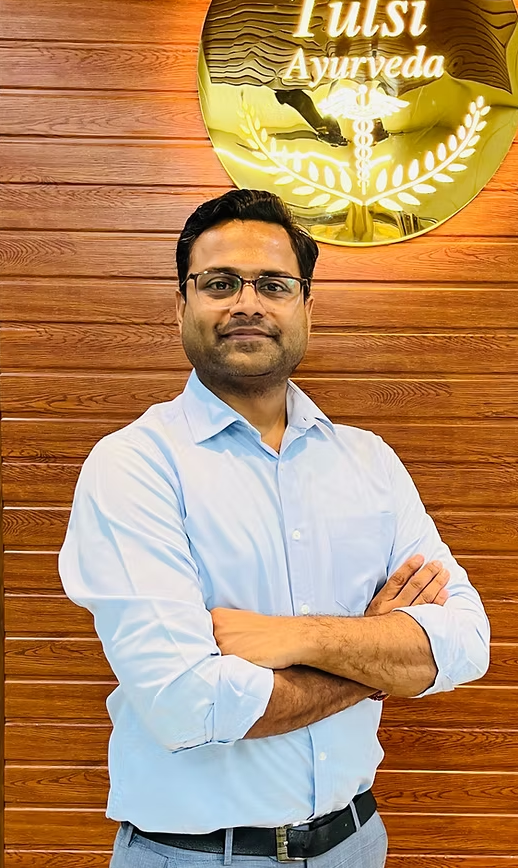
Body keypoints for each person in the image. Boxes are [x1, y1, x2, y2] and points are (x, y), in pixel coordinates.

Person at [59, 189, 490, 868]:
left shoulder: (369, 462)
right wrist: (377, 660)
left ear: (306, 307)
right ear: (181, 306)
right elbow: (188, 705)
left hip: (355, 843)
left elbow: (464, 642)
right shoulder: (135, 466)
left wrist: (298, 636)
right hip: (196, 855)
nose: (247, 303)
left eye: (273, 284)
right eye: (219, 283)